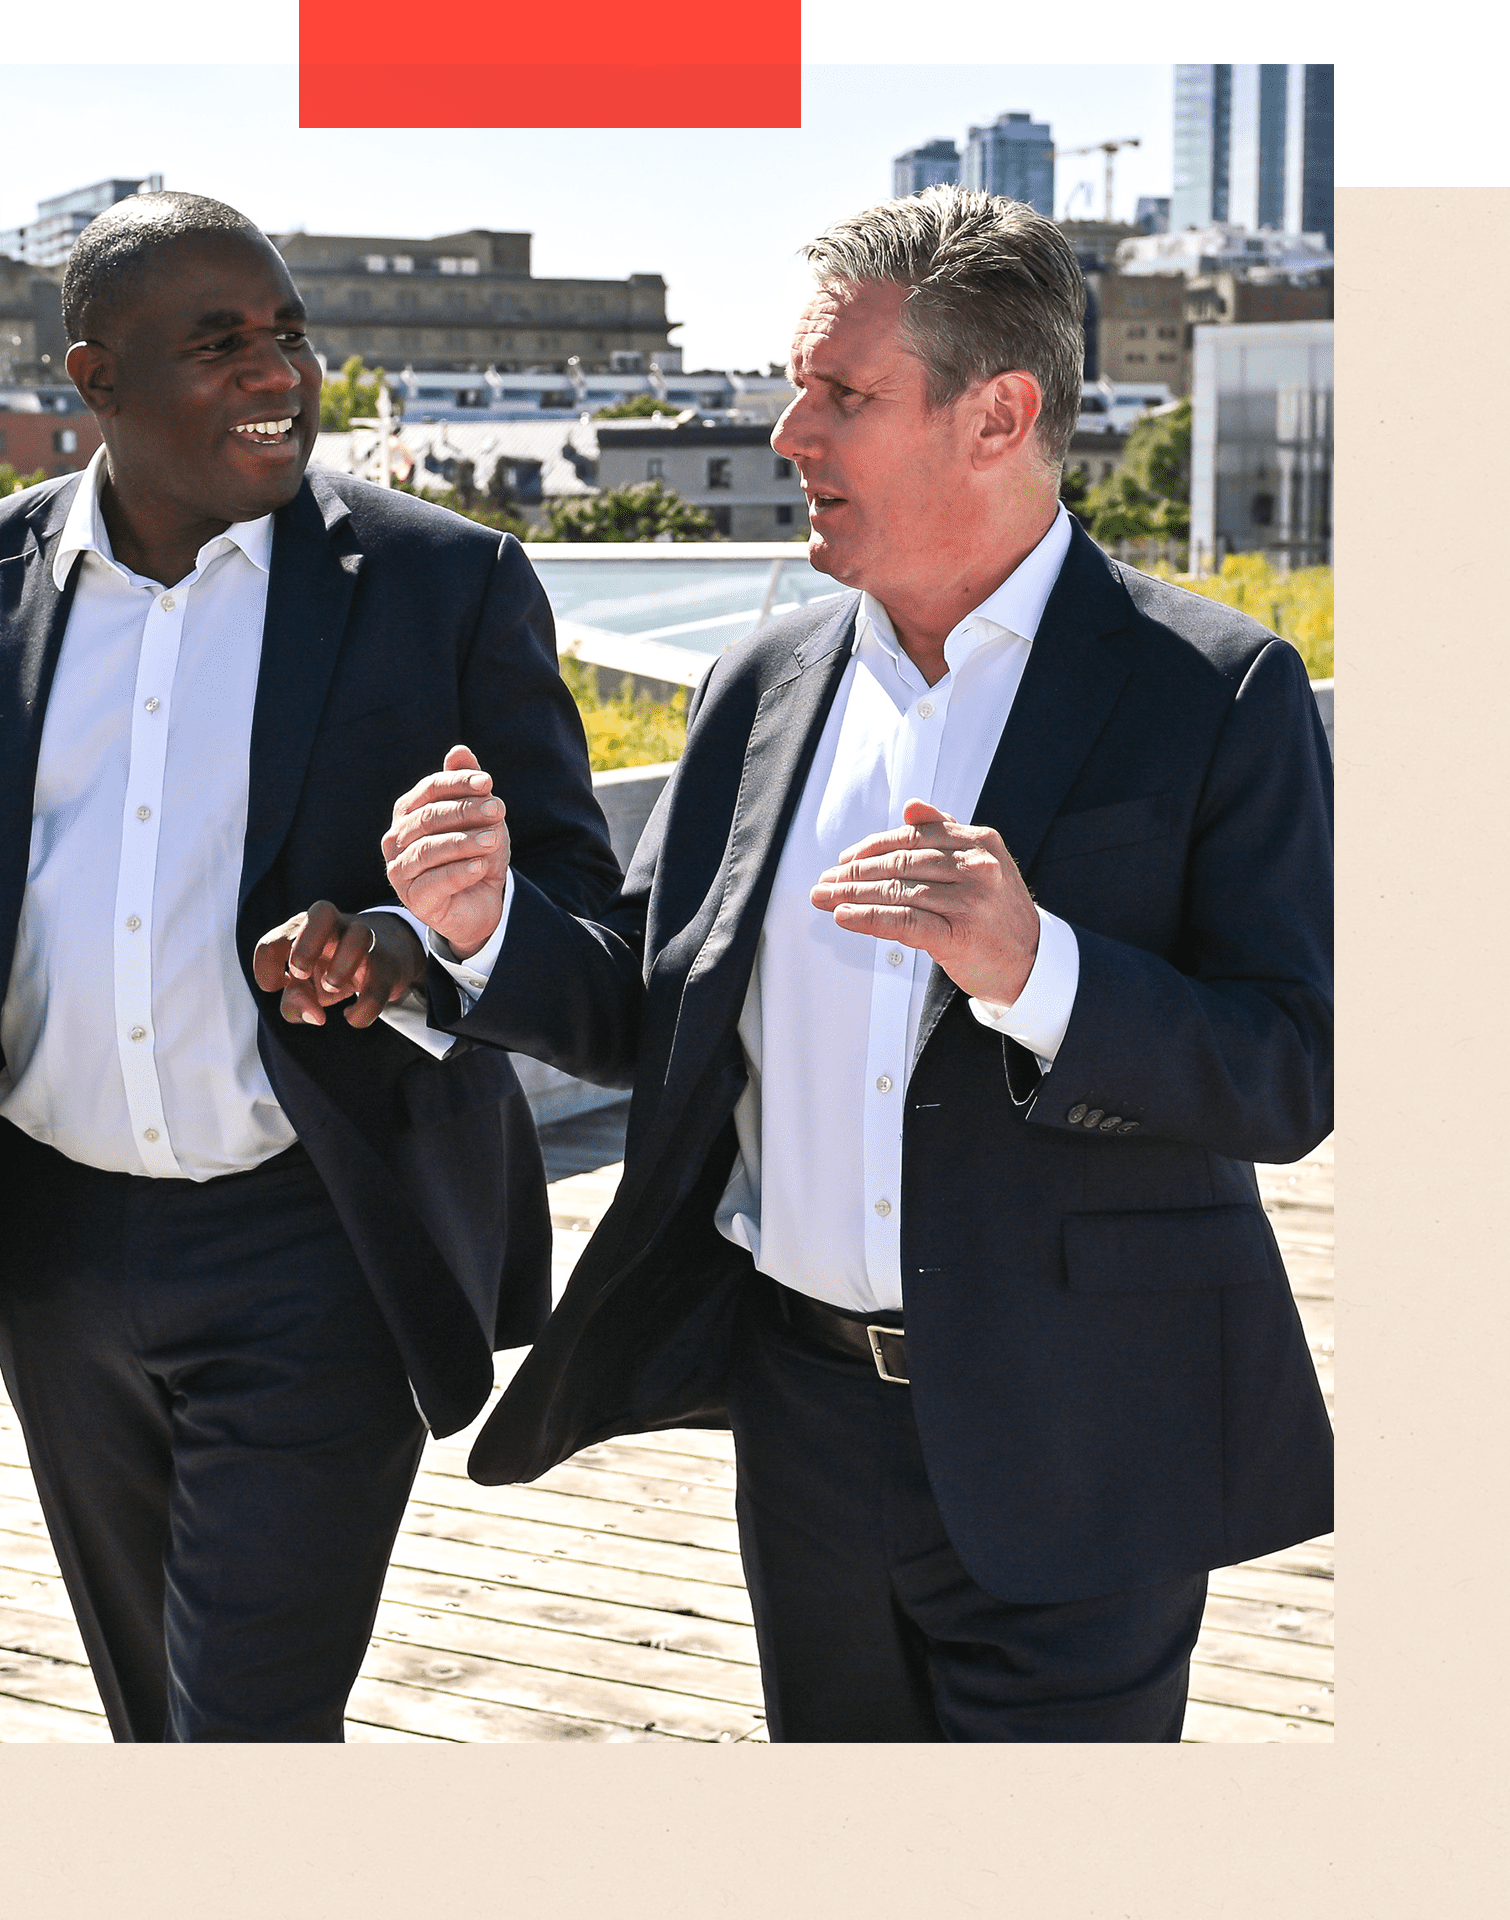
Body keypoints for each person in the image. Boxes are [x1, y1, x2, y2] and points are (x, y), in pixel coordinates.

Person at [376, 186, 1334, 1742]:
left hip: (1084, 1432)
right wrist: (483, 935)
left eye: (843, 394)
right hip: (806, 1427)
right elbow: (655, 1001)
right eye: (795, 386)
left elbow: (1292, 1068)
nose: (787, 435)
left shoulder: (1217, 691)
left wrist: (1039, 968)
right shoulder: (763, 683)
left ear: (1000, 413)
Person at [0, 191, 619, 1742]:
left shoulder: (445, 585)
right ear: (94, 379)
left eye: (286, 333)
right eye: (217, 344)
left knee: (246, 1733)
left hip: (322, 1246)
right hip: (50, 1257)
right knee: (153, 1722)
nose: (275, 373)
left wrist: (415, 950)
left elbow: (589, 922)